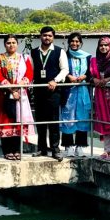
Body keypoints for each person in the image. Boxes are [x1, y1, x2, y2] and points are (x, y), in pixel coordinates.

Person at [0, 34, 34, 160]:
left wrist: (18, 88)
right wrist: (11, 90)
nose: (11, 45)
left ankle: (17, 150)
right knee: (6, 122)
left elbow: (29, 74)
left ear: (17, 44)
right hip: (4, 95)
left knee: (18, 122)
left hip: (20, 95)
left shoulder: (24, 58)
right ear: (5, 44)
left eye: (13, 42)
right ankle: (7, 151)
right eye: (8, 43)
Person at [31, 26, 69, 161]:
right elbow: (31, 70)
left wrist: (55, 80)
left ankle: (55, 149)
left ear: (53, 37)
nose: (47, 38)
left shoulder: (59, 51)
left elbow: (65, 70)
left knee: (53, 120)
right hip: (39, 91)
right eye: (44, 35)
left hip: (53, 91)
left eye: (49, 36)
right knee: (40, 120)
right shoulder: (33, 52)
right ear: (40, 36)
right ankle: (41, 148)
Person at [60, 32, 92, 157]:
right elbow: (60, 69)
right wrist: (69, 76)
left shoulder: (87, 57)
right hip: (69, 91)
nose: (74, 43)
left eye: (77, 41)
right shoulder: (64, 55)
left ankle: (80, 146)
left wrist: (85, 76)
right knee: (67, 117)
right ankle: (68, 146)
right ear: (69, 43)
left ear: (81, 43)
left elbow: (91, 72)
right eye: (72, 41)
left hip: (82, 90)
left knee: (82, 117)